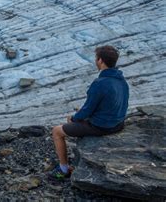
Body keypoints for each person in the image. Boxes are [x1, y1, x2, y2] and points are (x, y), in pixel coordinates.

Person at [49, 45, 129, 180]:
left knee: (57, 131)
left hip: (102, 126)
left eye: (96, 58)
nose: (95, 61)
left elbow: (87, 110)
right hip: (118, 124)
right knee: (80, 114)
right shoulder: (122, 81)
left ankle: (63, 169)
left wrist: (74, 119)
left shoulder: (100, 83)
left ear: (101, 61)